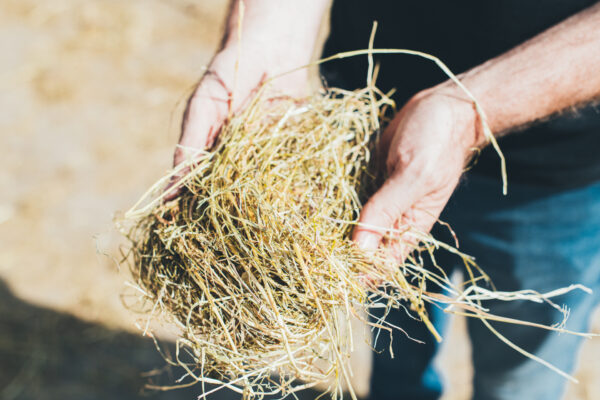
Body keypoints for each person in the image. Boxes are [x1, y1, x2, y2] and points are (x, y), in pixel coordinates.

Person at [174, 1, 600, 399]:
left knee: (519, 380)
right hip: (368, 147)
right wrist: (265, 36)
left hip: (550, 180)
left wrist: (468, 110)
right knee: (394, 347)